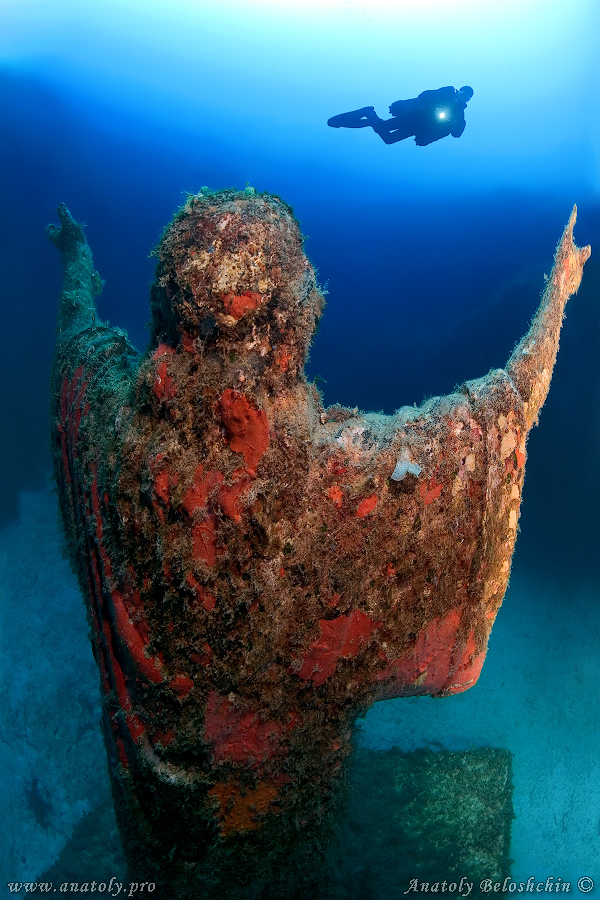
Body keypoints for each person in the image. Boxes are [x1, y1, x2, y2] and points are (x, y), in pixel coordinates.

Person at [327, 85, 473, 146]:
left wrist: (454, 124)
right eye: (463, 93)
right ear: (458, 90)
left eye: (467, 97)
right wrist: (435, 106)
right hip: (412, 118)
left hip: (419, 129)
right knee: (383, 127)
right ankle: (369, 114)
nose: (464, 97)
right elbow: (424, 96)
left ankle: (370, 116)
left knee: (388, 139)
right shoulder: (444, 94)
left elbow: (457, 134)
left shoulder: (459, 114)